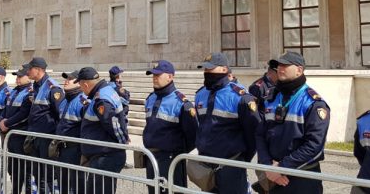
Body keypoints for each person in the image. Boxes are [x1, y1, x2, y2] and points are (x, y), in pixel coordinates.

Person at [255, 51, 329, 194]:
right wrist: (267, 166)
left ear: (299, 70)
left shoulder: (313, 103)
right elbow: (260, 134)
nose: (280, 69)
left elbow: (314, 145)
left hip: (302, 178)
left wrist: (282, 167)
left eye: (285, 65)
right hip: (272, 176)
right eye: (278, 65)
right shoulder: (271, 98)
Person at [194, 52, 261, 194]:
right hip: (206, 166)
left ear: (224, 70)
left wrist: (241, 159)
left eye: (210, 69)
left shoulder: (240, 98)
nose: (207, 73)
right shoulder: (200, 94)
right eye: (205, 69)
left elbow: (254, 132)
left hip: (231, 166)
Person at [142, 60, 197, 194]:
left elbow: (193, 135)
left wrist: (176, 151)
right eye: (153, 75)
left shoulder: (182, 103)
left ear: (170, 77)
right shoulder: (151, 98)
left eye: (158, 75)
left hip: (171, 160)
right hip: (152, 157)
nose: (154, 78)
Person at [75, 67, 129, 194]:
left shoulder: (101, 99)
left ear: (86, 84)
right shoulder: (105, 90)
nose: (81, 89)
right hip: (104, 155)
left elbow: (112, 124)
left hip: (106, 156)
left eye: (81, 85)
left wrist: (122, 142)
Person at [25, 57, 64, 192]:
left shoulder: (52, 88)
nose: (27, 71)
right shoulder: (36, 86)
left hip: (47, 137)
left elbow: (60, 113)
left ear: (39, 70)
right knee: (37, 174)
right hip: (36, 136)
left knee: (48, 175)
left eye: (30, 69)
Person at [51, 69, 88, 194]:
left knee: (77, 186)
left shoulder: (83, 102)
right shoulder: (64, 101)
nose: (66, 82)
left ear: (79, 83)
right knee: (63, 186)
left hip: (75, 151)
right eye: (66, 79)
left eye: (69, 79)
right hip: (61, 150)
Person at [0, 65, 34, 194]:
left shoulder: (30, 92)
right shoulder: (14, 91)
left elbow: (24, 114)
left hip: (20, 135)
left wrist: (7, 123)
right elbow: (6, 108)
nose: (18, 79)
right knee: (13, 169)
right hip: (11, 135)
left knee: (24, 169)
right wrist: (1, 120)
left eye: (20, 76)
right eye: (17, 76)